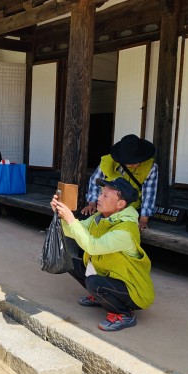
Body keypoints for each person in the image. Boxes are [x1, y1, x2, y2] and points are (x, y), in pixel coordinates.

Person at [51, 177, 155, 332]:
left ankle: (124, 314)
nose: (99, 198)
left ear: (121, 204)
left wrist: (71, 219)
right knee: (70, 263)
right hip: (110, 276)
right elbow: (74, 231)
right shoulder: (99, 217)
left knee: (94, 282)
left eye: (105, 196)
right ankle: (102, 297)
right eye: (101, 193)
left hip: (134, 291)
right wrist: (60, 214)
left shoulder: (125, 230)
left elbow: (93, 247)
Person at [81, 134, 157, 231]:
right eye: (133, 160)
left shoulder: (150, 167)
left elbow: (149, 195)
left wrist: (143, 220)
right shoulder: (108, 162)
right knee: (85, 220)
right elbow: (94, 182)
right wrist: (92, 203)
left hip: (130, 209)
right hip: (106, 206)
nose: (137, 162)